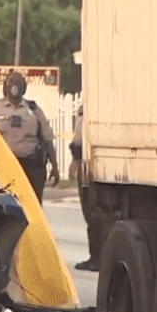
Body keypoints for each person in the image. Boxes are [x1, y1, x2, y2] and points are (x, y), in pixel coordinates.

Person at [0, 72, 60, 203]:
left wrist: (54, 166)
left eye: (18, 81)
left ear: (24, 87)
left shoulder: (34, 109)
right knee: (3, 205)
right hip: (3, 167)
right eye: (11, 81)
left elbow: (47, 138)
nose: (14, 84)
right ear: (5, 86)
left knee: (32, 205)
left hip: (31, 165)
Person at [70, 104, 100, 271]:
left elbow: (79, 139)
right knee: (92, 214)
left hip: (89, 165)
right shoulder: (88, 107)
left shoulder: (88, 108)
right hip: (89, 162)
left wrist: (75, 160)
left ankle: (97, 257)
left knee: (92, 213)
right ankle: (96, 256)